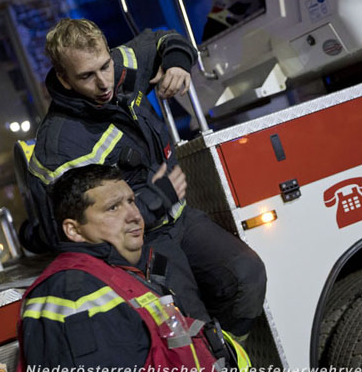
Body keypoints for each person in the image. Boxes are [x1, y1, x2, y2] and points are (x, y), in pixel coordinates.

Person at [21, 18, 266, 341]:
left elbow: (164, 37)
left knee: (246, 275)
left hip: (180, 219)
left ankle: (228, 362)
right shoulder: (62, 145)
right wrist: (155, 200)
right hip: (142, 246)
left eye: (105, 66)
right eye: (87, 76)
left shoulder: (121, 67)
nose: (104, 83)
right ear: (64, 80)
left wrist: (177, 63)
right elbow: (76, 228)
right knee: (187, 326)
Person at [18, 164, 272, 372]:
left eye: (131, 201)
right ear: (74, 230)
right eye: (113, 208)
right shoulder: (74, 292)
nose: (134, 215)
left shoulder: (122, 275)